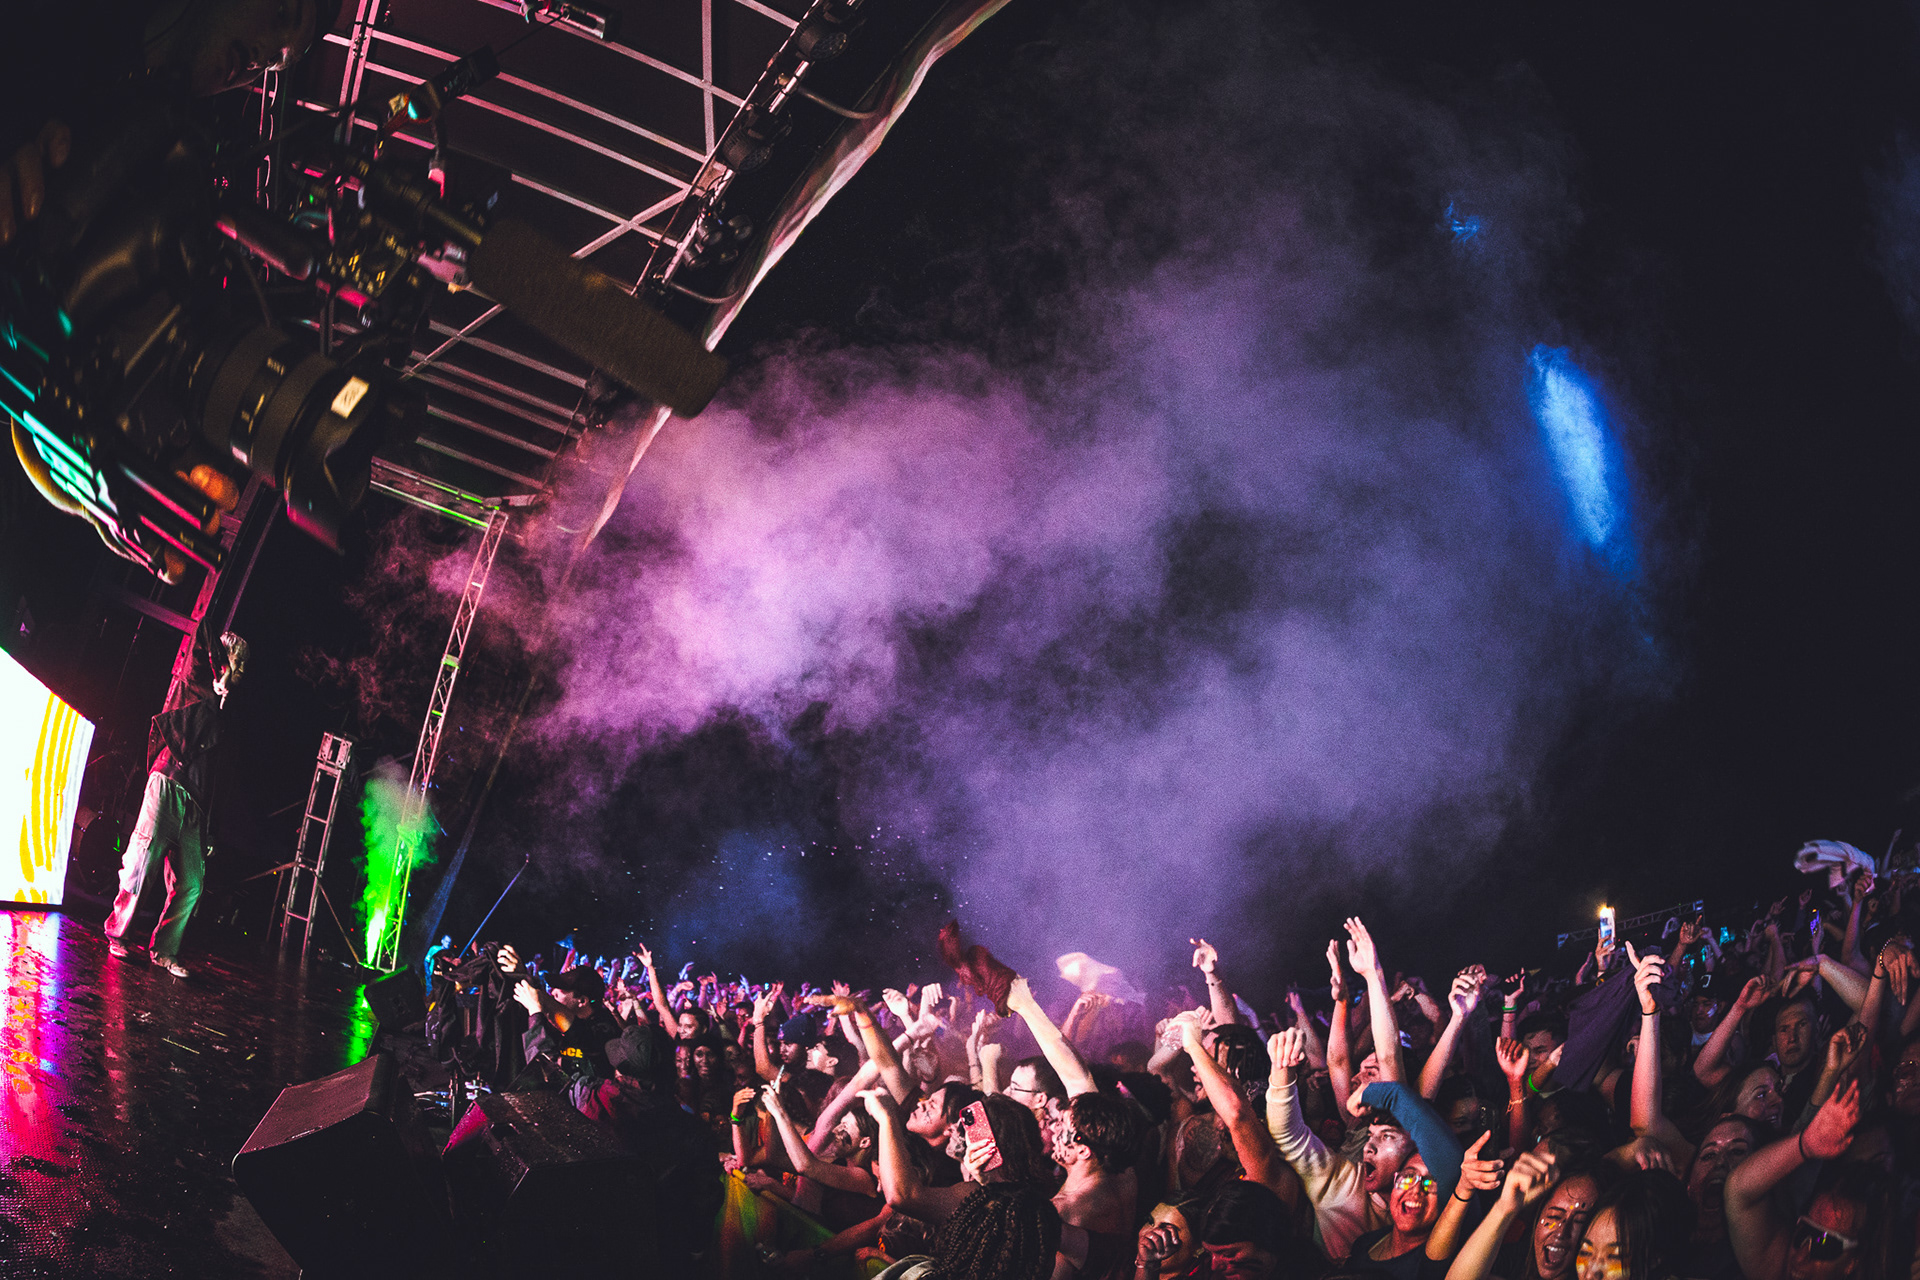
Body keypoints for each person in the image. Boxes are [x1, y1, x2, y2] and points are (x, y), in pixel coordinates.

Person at [104, 623, 246, 977]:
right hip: (167, 784)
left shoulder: (229, 716)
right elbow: (204, 628)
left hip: (195, 807)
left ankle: (165, 951)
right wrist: (219, 672)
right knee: (142, 864)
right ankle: (118, 934)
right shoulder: (196, 683)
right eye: (239, 662)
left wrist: (211, 830)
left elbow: (219, 781)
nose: (242, 670)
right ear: (224, 660)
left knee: (192, 884)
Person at [571, 1023, 723, 1273]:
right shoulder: (691, 1128)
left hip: (604, 1245)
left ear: (620, 1072)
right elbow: (705, 1199)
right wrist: (696, 1248)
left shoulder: (598, 1100)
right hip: (664, 1249)